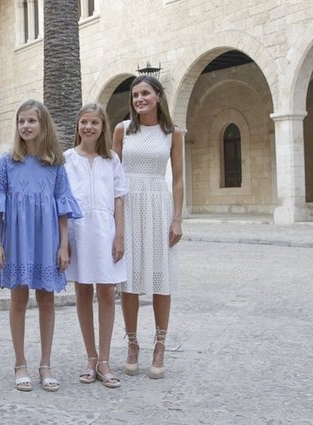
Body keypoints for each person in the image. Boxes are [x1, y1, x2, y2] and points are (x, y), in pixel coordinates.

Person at [0, 99, 82, 393]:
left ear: (43, 124)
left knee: (47, 299)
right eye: (21, 121)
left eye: (31, 121)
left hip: (47, 239)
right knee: (18, 300)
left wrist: (64, 246)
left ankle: (45, 363)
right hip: (17, 239)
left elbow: (63, 209)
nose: (25, 126)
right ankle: (20, 362)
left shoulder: (56, 164)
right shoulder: (8, 162)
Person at [113, 75, 184, 380]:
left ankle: (160, 345)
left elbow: (179, 178)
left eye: (145, 93)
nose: (139, 99)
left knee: (159, 276)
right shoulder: (122, 130)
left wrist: (178, 217)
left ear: (158, 96)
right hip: (128, 205)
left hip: (157, 204)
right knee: (129, 278)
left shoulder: (173, 133)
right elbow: (113, 175)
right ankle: (132, 344)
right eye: (135, 95)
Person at [64, 103, 127, 389]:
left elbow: (118, 198)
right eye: (84, 122)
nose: (88, 127)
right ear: (78, 126)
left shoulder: (111, 159)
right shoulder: (67, 159)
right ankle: (90, 358)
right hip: (78, 231)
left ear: (103, 127)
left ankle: (105, 359)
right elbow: (62, 203)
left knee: (106, 291)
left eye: (94, 123)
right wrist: (63, 242)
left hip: (105, 230)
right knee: (82, 290)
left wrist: (120, 236)